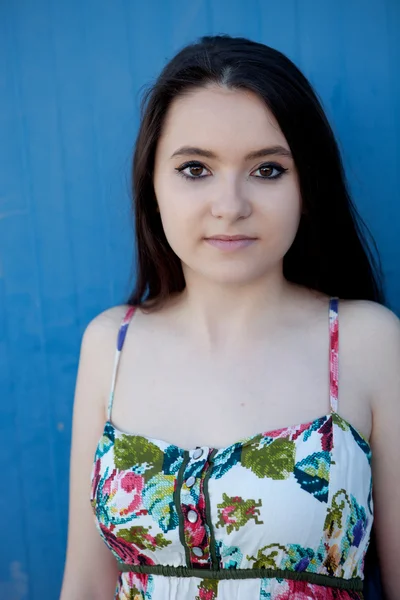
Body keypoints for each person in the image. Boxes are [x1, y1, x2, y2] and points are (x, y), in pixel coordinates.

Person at [60, 35, 399, 600]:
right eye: (196, 169)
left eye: (267, 170)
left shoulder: (367, 343)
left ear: (307, 187)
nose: (231, 205)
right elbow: (87, 584)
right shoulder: (110, 345)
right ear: (153, 186)